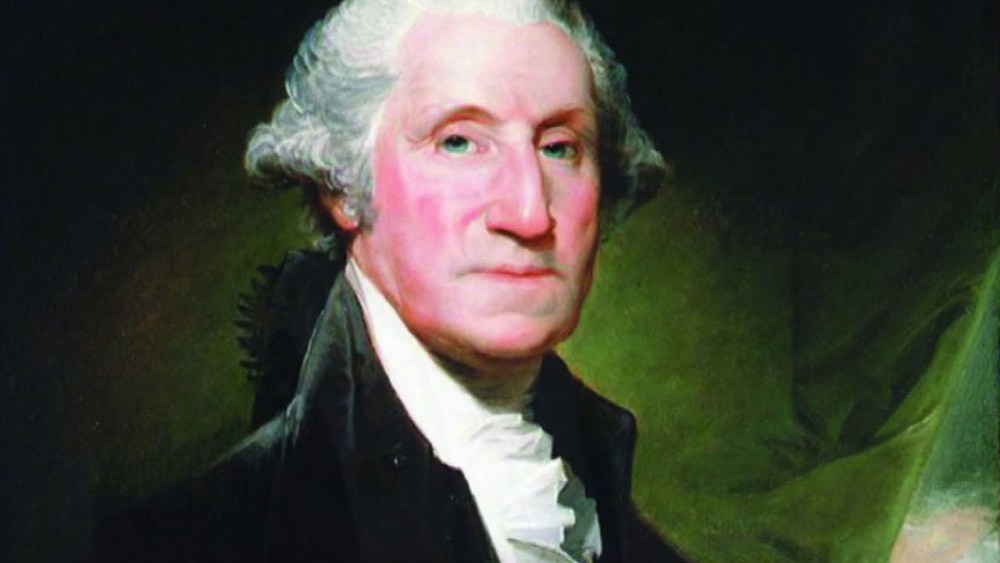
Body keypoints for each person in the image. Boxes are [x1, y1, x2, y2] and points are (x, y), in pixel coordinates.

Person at [95, 0, 686, 561]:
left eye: (559, 147)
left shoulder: (604, 509)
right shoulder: (184, 542)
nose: (529, 213)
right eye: (459, 142)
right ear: (343, 185)